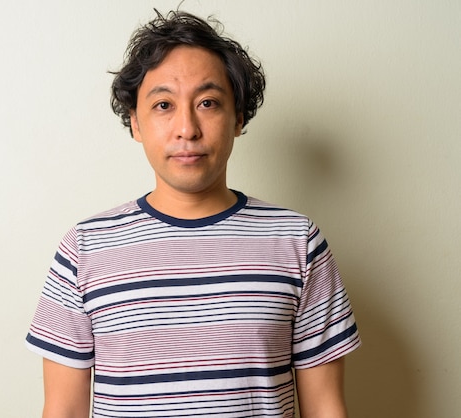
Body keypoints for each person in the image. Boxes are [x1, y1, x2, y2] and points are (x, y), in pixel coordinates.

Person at [26, 10, 360, 418]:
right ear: (136, 123)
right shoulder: (85, 248)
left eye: (208, 103)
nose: (187, 128)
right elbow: (62, 409)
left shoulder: (298, 241)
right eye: (164, 104)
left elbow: (325, 406)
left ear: (238, 117)